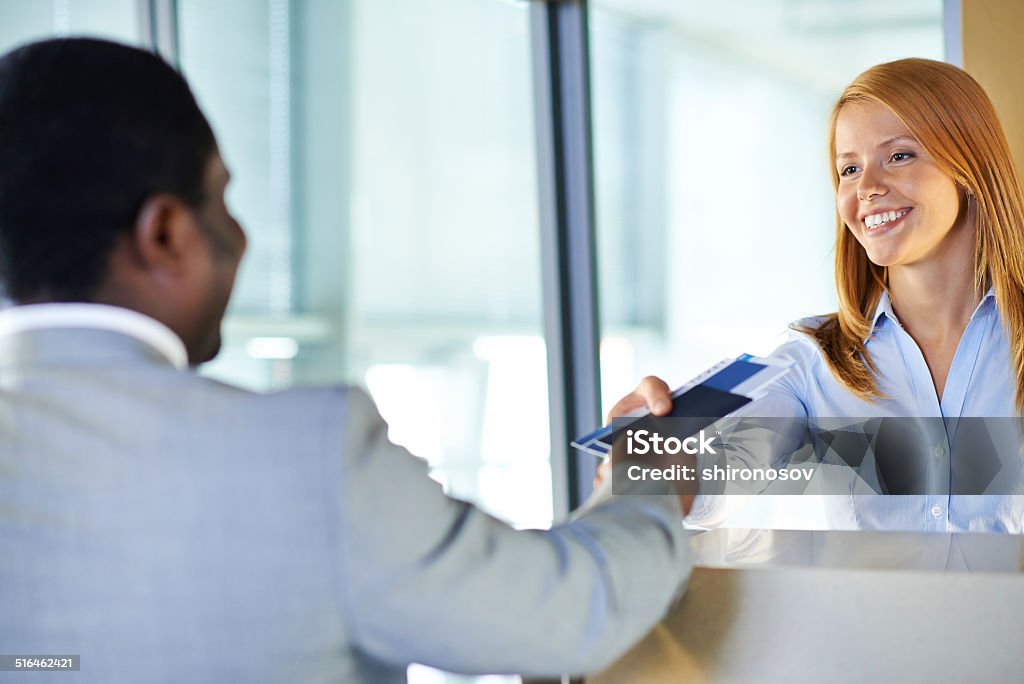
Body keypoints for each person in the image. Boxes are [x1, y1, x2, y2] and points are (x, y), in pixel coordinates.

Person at [0, 38, 693, 683]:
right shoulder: (301, 456)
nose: (239, 235)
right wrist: (648, 477)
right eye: (221, 198)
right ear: (166, 234)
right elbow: (569, 612)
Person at [610, 57, 1024, 532]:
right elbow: (707, 488)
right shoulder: (815, 360)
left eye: (899, 155)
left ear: (970, 166)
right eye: (849, 168)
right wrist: (647, 446)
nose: (866, 188)